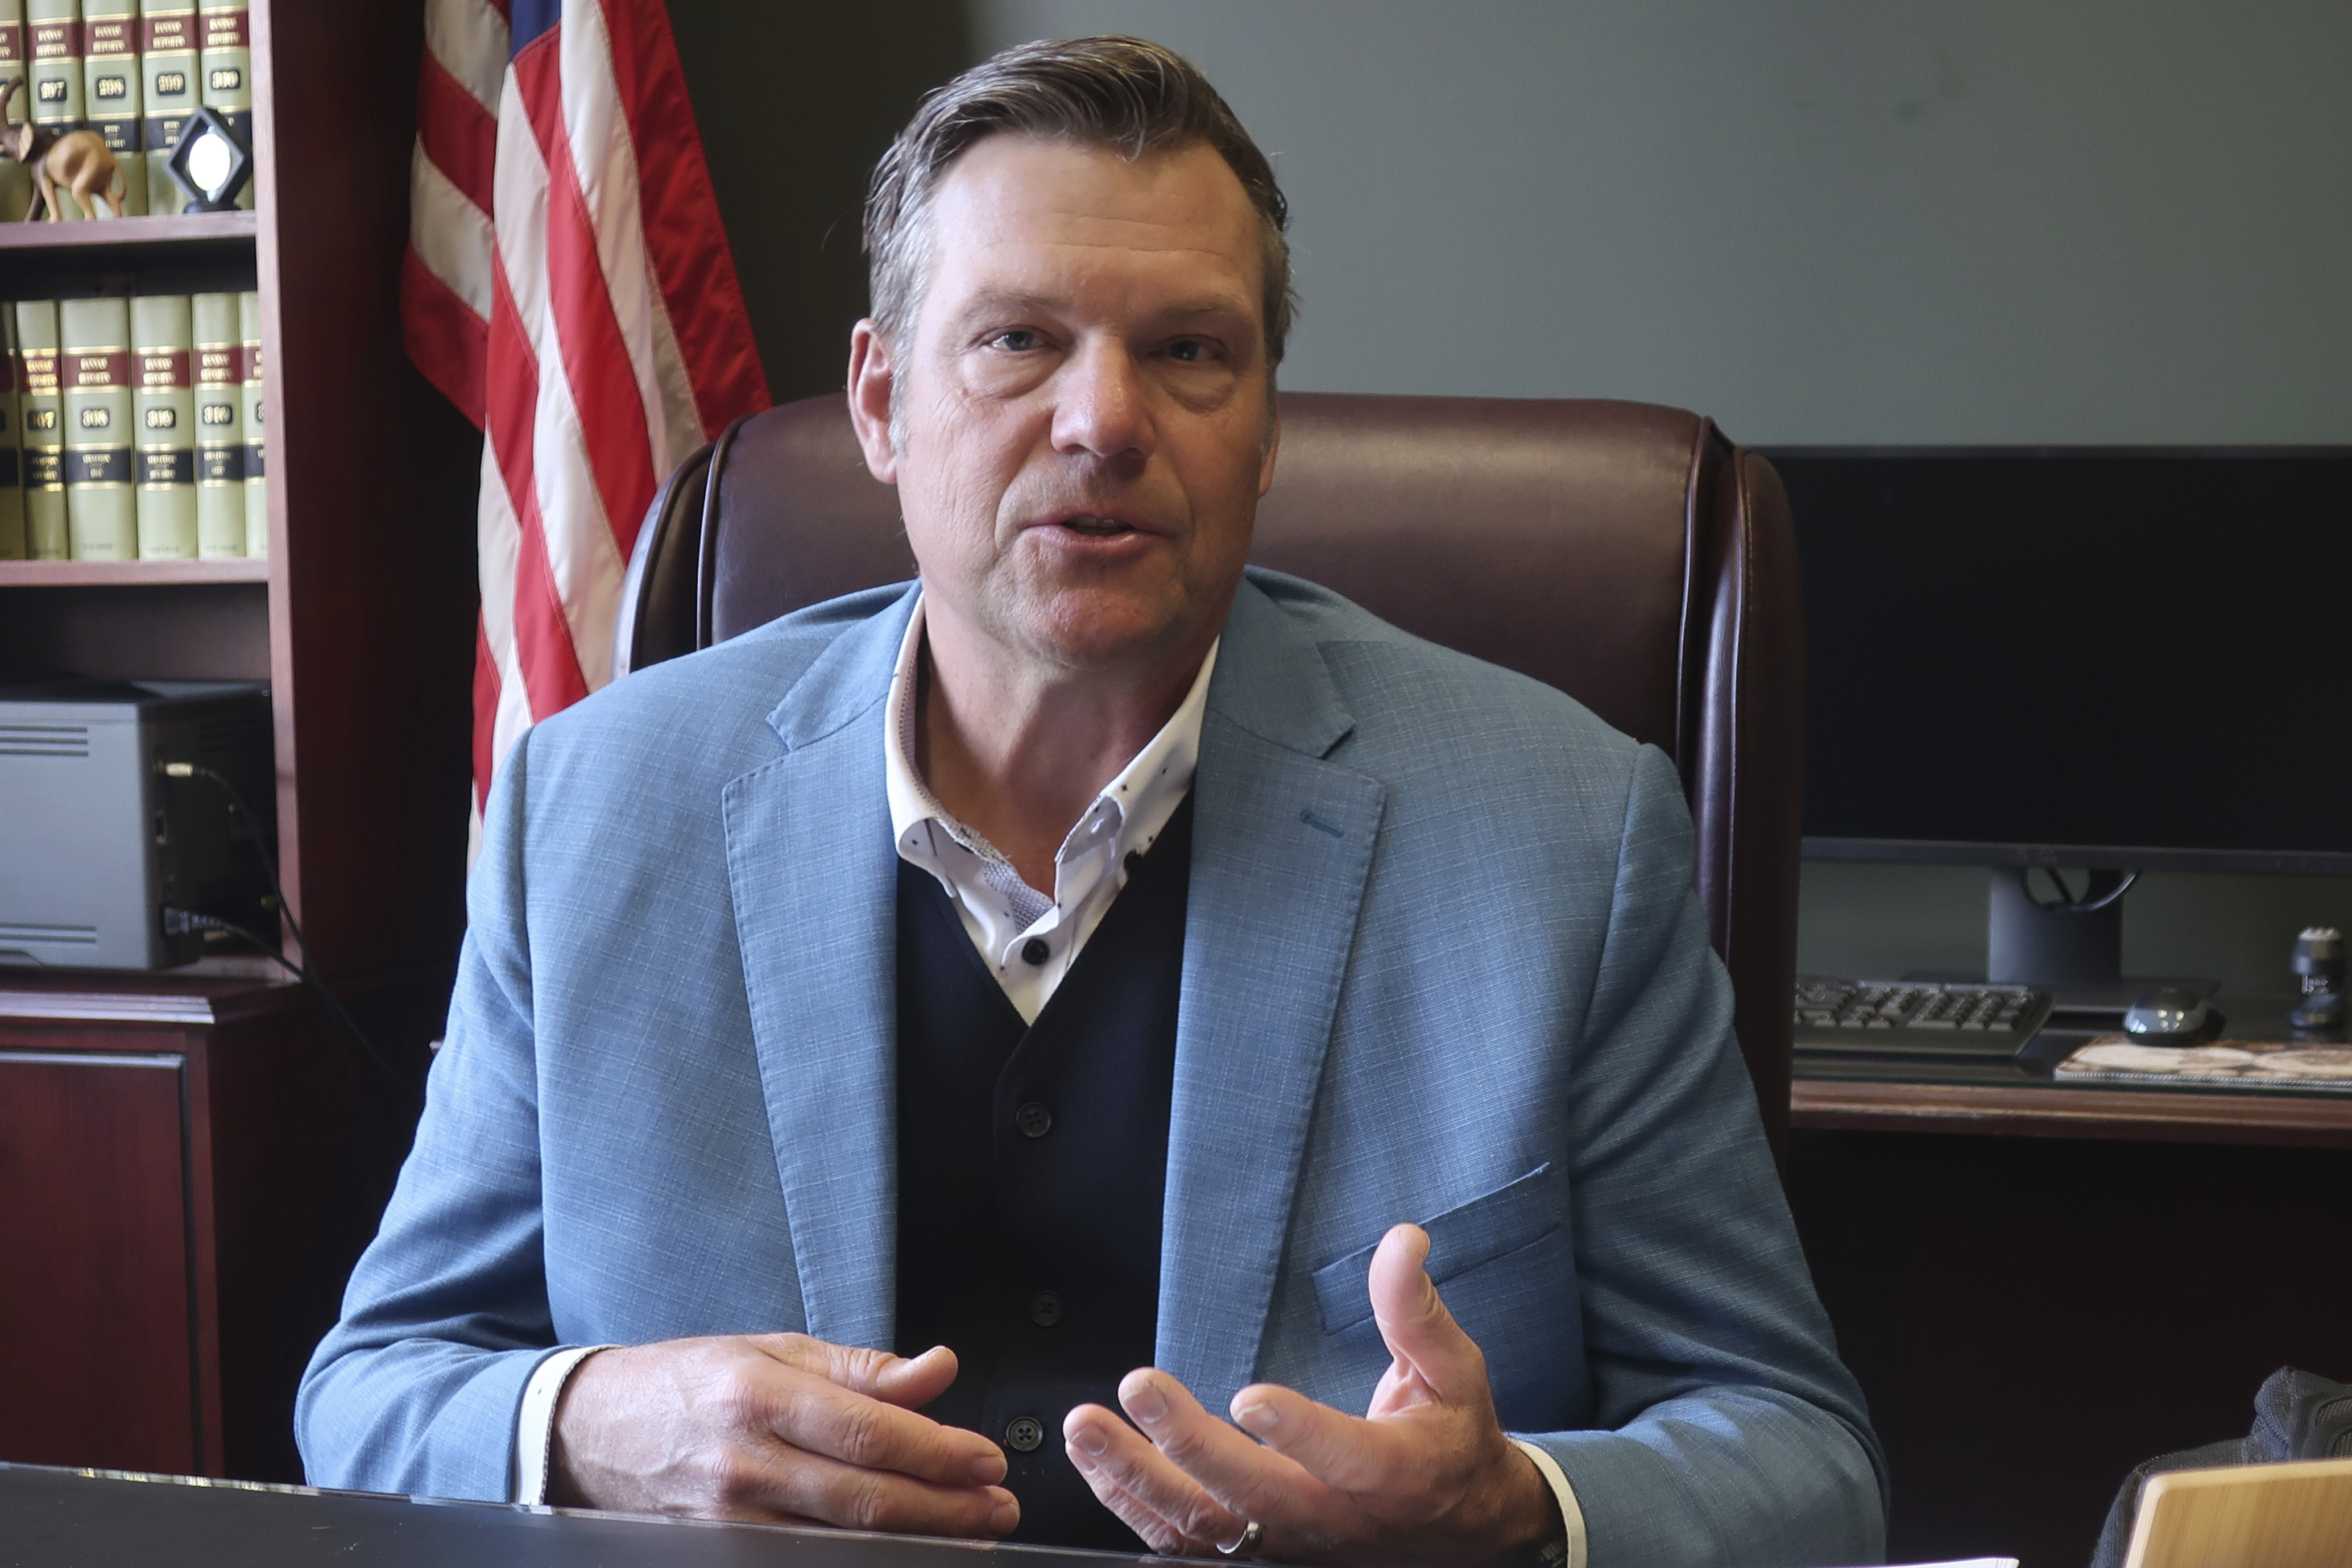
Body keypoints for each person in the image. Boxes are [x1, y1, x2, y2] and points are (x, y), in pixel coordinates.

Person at [299, 36, 1885, 1567]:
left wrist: (1507, 1507)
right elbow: (371, 1390)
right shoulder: (599, 809)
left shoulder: (1565, 834)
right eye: (1017, 340)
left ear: (1267, 426)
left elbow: (1799, 1457)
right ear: (877, 404)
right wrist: (592, 1423)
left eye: (1190, 350)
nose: (1105, 422)